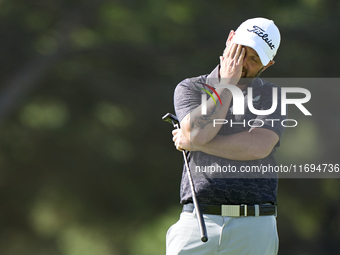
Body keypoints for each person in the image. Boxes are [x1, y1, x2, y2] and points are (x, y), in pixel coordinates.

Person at [166, 17, 286, 255]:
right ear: (230, 38)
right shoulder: (190, 88)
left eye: (254, 59)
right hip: (198, 221)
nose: (243, 63)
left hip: (255, 224)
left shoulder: (272, 94)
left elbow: (257, 147)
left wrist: (195, 144)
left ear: (268, 63)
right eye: (241, 51)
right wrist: (227, 85)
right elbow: (200, 133)